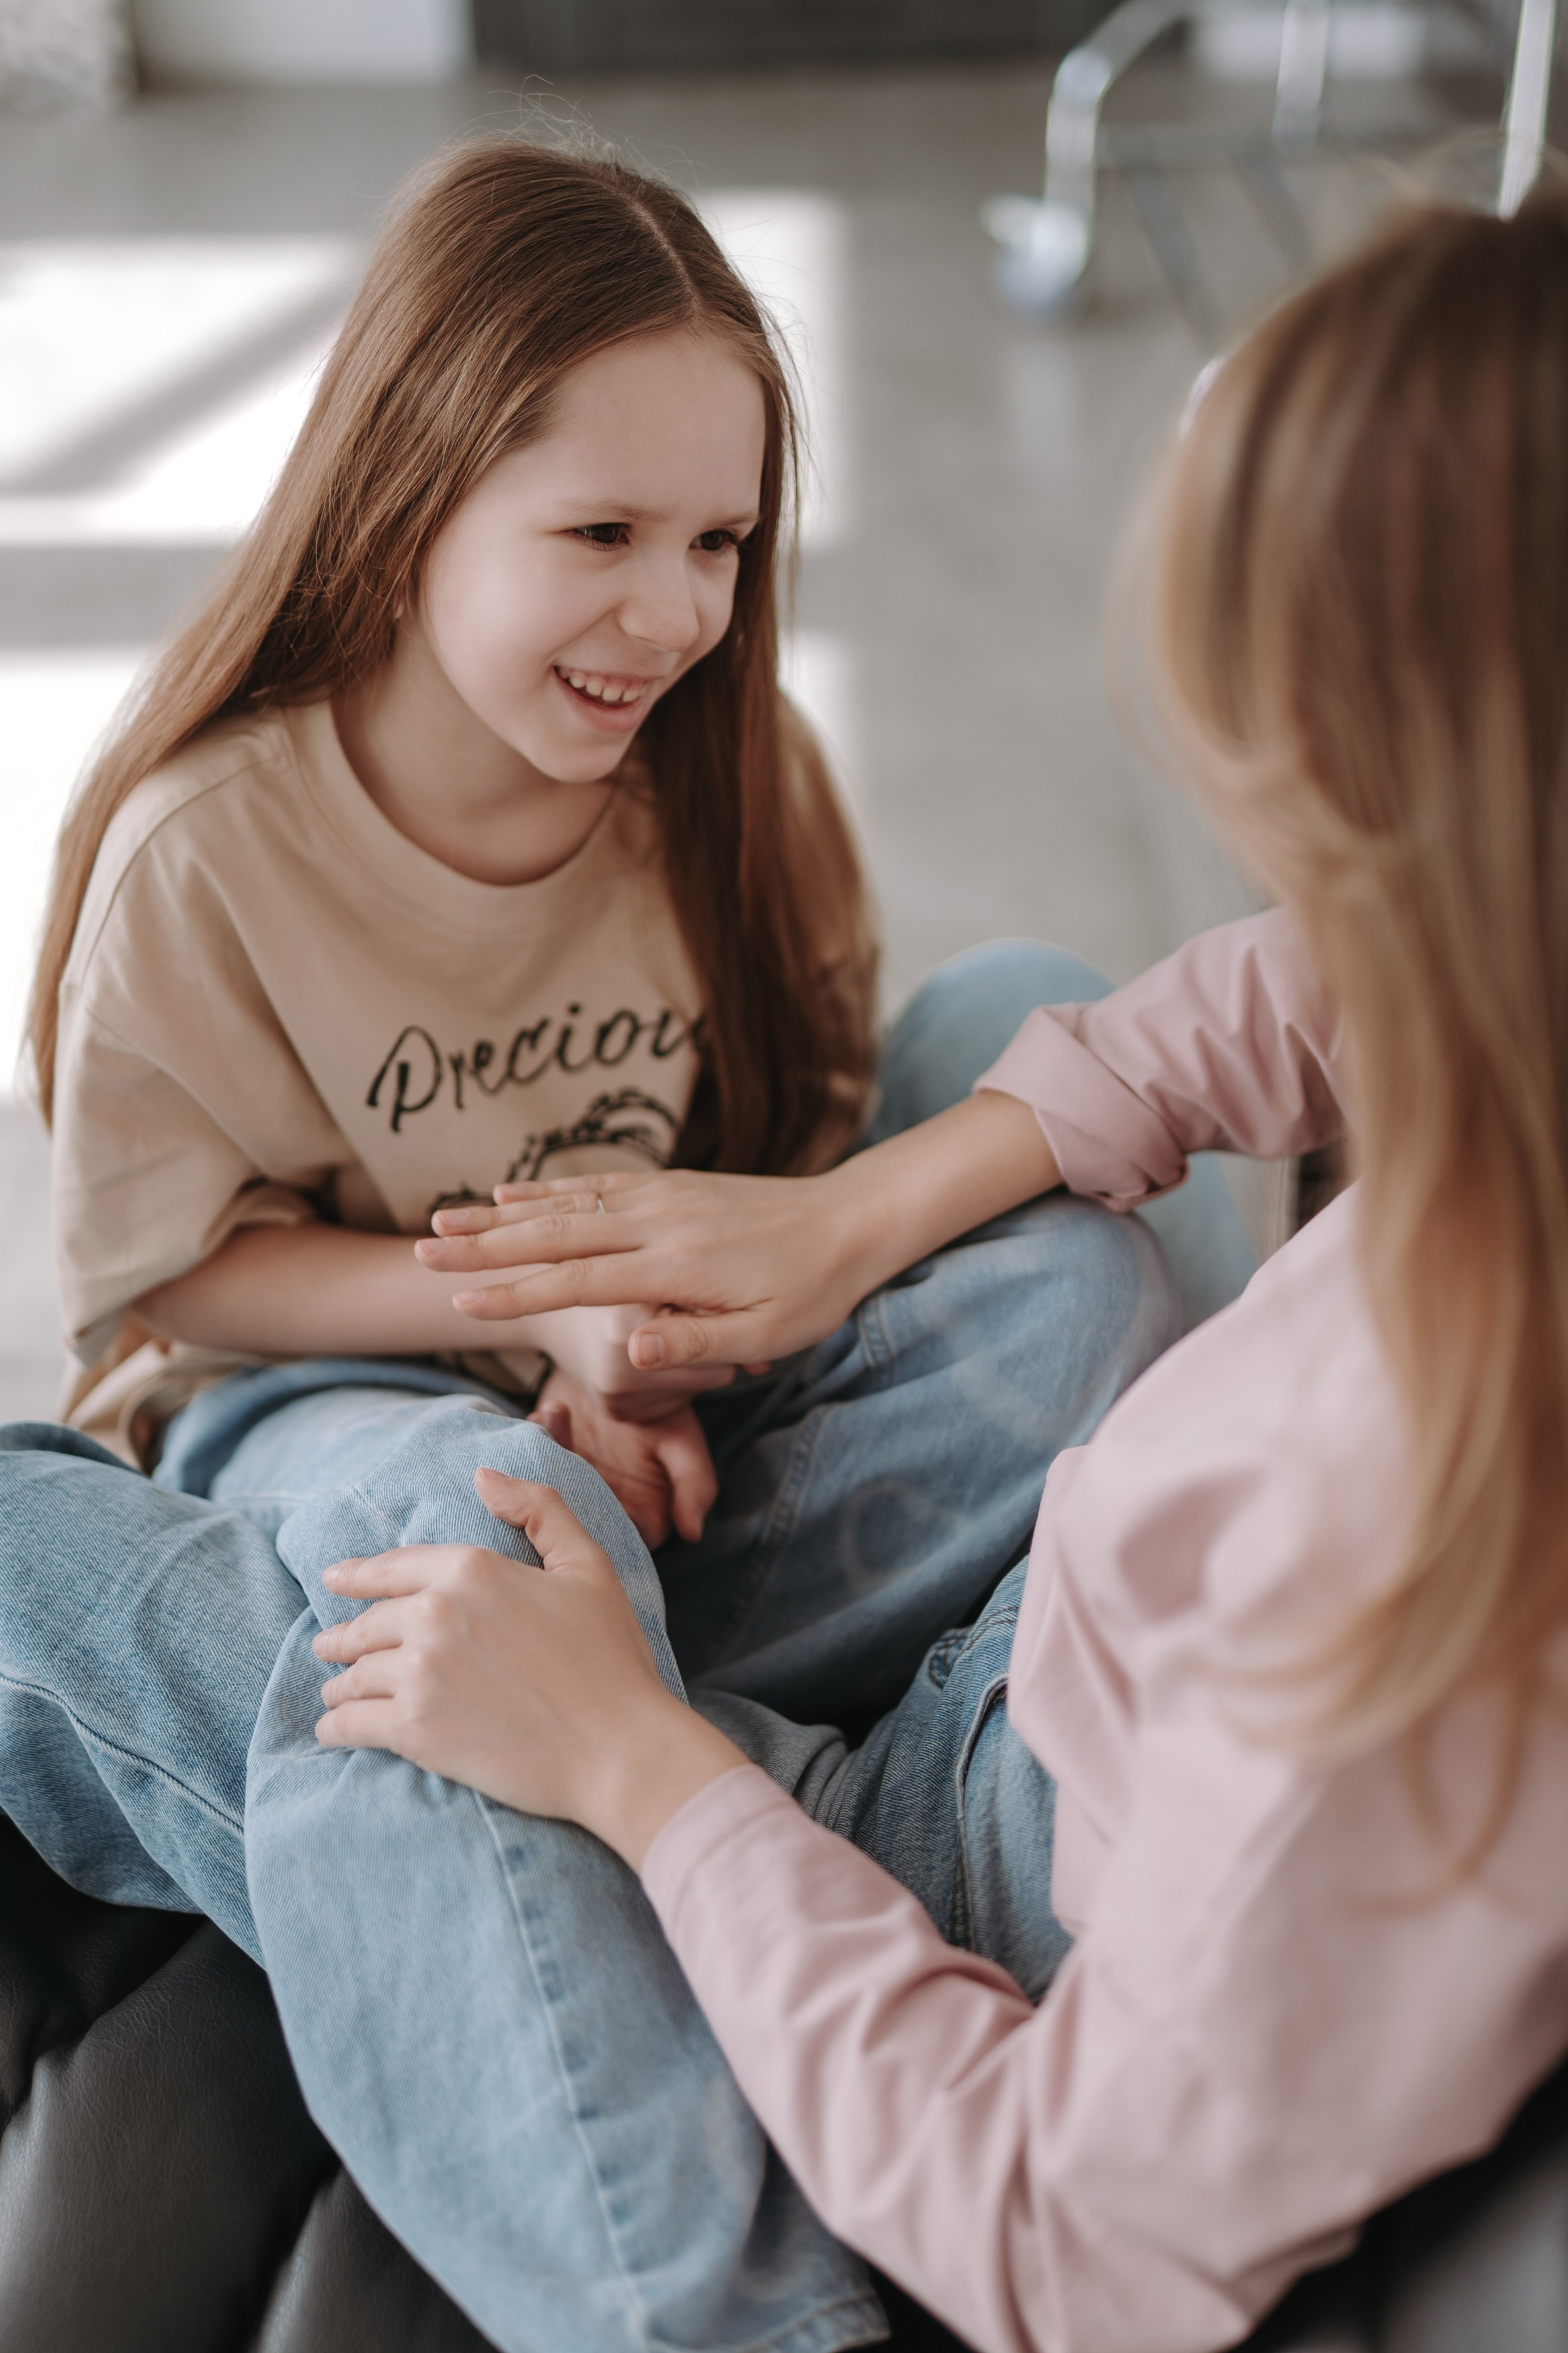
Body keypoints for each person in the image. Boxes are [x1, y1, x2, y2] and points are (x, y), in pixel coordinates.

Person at [284, 187, 1568, 2348]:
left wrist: (634, 1760)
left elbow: (1062, 2231)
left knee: (282, 1554)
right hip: (1078, 1672)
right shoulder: (1498, 986)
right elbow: (1292, 994)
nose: (677, 611)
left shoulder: (1413, 1567)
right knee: (1035, 1018)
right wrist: (835, 1223)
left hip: (971, 1885)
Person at [28, 134, 1249, 1725]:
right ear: (409, 498)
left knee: (1078, 1217)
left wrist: (649, 1358)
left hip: (672, 1371)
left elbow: (795, 1144)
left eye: (717, 543)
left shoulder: (739, 777)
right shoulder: (202, 852)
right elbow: (183, 1278)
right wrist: (544, 1321)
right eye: (603, 534)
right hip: (339, 1388)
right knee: (474, 1517)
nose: (675, 614)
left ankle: (567, 1711)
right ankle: (667, 1715)